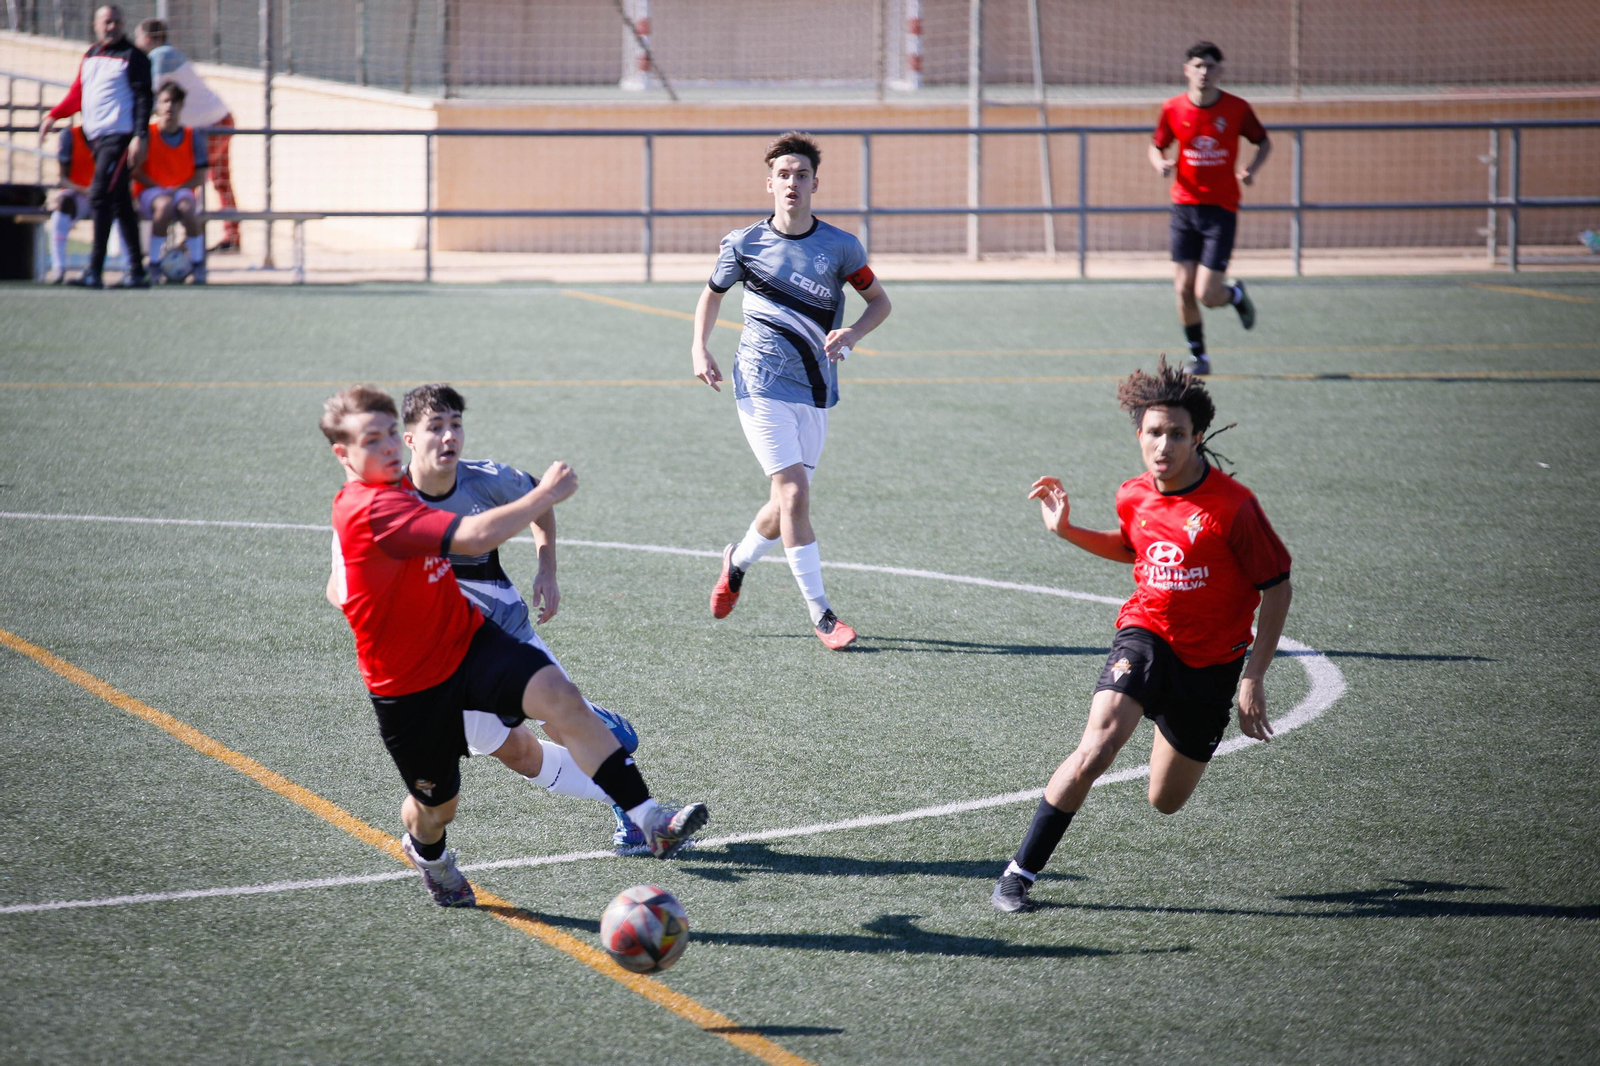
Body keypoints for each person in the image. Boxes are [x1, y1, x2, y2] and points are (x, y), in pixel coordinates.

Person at [321, 385, 708, 907]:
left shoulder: (416, 487)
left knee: (559, 697)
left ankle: (648, 819)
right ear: (343, 454)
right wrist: (544, 494)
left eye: (391, 432)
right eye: (374, 438)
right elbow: (475, 536)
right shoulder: (373, 509)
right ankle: (428, 854)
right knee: (437, 808)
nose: (390, 445)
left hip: (468, 640)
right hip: (411, 685)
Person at [991, 357, 1292, 912]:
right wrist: (1067, 531)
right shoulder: (1133, 494)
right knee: (1097, 747)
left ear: (1197, 438)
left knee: (1165, 800)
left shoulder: (1235, 508)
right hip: (1146, 635)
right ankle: (1018, 874)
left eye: (1177, 434)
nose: (1164, 445)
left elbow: (1277, 588)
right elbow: (1133, 547)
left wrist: (1253, 676)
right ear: (1139, 436)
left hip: (1214, 664)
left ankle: (1168, 718)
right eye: (1154, 433)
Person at [390, 383, 647, 850]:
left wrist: (546, 567)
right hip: (443, 665)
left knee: (562, 724)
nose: (448, 437)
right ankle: (602, 730)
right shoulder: (388, 502)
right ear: (409, 439)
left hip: (508, 637)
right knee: (523, 756)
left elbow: (540, 499)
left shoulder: (484, 479)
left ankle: (632, 810)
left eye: (456, 425)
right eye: (435, 427)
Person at [690, 131, 892, 650]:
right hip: (757, 384)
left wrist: (853, 333)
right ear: (770, 184)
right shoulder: (744, 243)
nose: (792, 183)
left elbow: (880, 303)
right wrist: (699, 348)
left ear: (815, 183)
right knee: (796, 494)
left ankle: (736, 563)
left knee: (784, 505)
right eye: (783, 175)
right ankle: (823, 615)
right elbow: (710, 296)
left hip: (816, 387)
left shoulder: (841, 247)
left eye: (801, 174)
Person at [1149, 42, 1271, 375]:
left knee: (1207, 293)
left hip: (1221, 209)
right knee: (1183, 288)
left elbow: (1263, 141)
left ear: (1220, 70)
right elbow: (1156, 145)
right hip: (1184, 209)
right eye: (1198, 65)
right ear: (1186, 70)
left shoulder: (1237, 109)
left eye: (1210, 66)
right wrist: (1160, 162)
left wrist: (1251, 169)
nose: (1204, 72)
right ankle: (1199, 357)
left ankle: (1233, 295)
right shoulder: (1173, 108)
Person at [39, 4, 152, 289]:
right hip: (97, 140)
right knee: (121, 203)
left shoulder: (133, 57)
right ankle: (137, 272)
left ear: (123, 24)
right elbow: (78, 94)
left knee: (100, 195)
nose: (111, 27)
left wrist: (140, 135)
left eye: (115, 22)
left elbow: (143, 98)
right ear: (96, 25)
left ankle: (94, 270)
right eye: (106, 22)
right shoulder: (90, 55)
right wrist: (54, 115)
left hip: (120, 137)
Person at [135, 18, 240, 254]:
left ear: (148, 38)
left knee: (192, 176)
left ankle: (192, 238)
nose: (137, 43)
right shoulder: (169, 54)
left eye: (139, 38)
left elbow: (152, 99)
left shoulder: (160, 55)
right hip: (219, 118)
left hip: (208, 125)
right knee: (220, 180)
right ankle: (230, 236)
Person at [131, 83, 207, 284]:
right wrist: (158, 187)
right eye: (165, 101)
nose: (169, 107)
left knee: (187, 207)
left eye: (175, 102)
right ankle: (154, 263)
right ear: (158, 104)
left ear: (181, 106)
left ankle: (198, 264)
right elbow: (134, 171)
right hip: (150, 192)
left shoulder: (192, 135)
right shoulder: (146, 134)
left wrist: (177, 188)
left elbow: (201, 176)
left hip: (180, 191)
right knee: (163, 205)